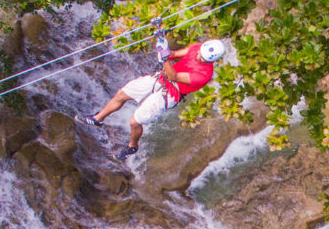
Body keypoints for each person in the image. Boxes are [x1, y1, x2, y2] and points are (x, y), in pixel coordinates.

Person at [75, 39, 226, 160]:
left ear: (211, 61)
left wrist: (164, 57)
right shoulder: (197, 48)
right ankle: (97, 119)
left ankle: (132, 146)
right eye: (200, 53)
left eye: (203, 59)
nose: (199, 57)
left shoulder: (204, 75)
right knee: (122, 94)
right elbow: (174, 54)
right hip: (161, 78)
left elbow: (174, 76)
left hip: (171, 93)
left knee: (134, 121)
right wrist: (163, 47)